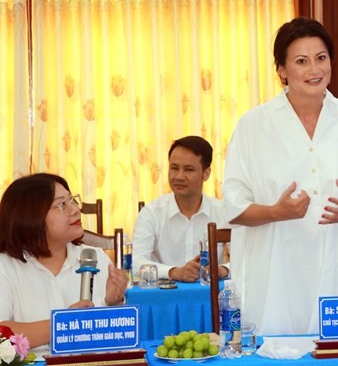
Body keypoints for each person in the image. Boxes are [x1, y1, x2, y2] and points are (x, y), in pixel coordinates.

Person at [221, 17, 338, 335]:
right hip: (276, 278)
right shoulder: (253, 126)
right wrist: (276, 212)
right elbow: (233, 204)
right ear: (282, 70)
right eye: (301, 61)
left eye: (321, 58)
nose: (314, 70)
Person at [0, 174, 127, 355]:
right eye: (62, 205)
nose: (75, 210)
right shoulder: (5, 267)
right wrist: (63, 324)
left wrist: (113, 302)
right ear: (30, 216)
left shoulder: (94, 257)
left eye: (73, 201)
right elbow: (1, 335)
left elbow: (113, 340)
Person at [132, 136, 229, 282]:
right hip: (163, 298)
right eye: (174, 168)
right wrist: (174, 272)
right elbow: (135, 263)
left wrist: (221, 270)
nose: (179, 176)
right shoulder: (151, 213)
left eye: (188, 169)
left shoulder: (223, 212)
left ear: (206, 174)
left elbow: (245, 260)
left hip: (210, 297)